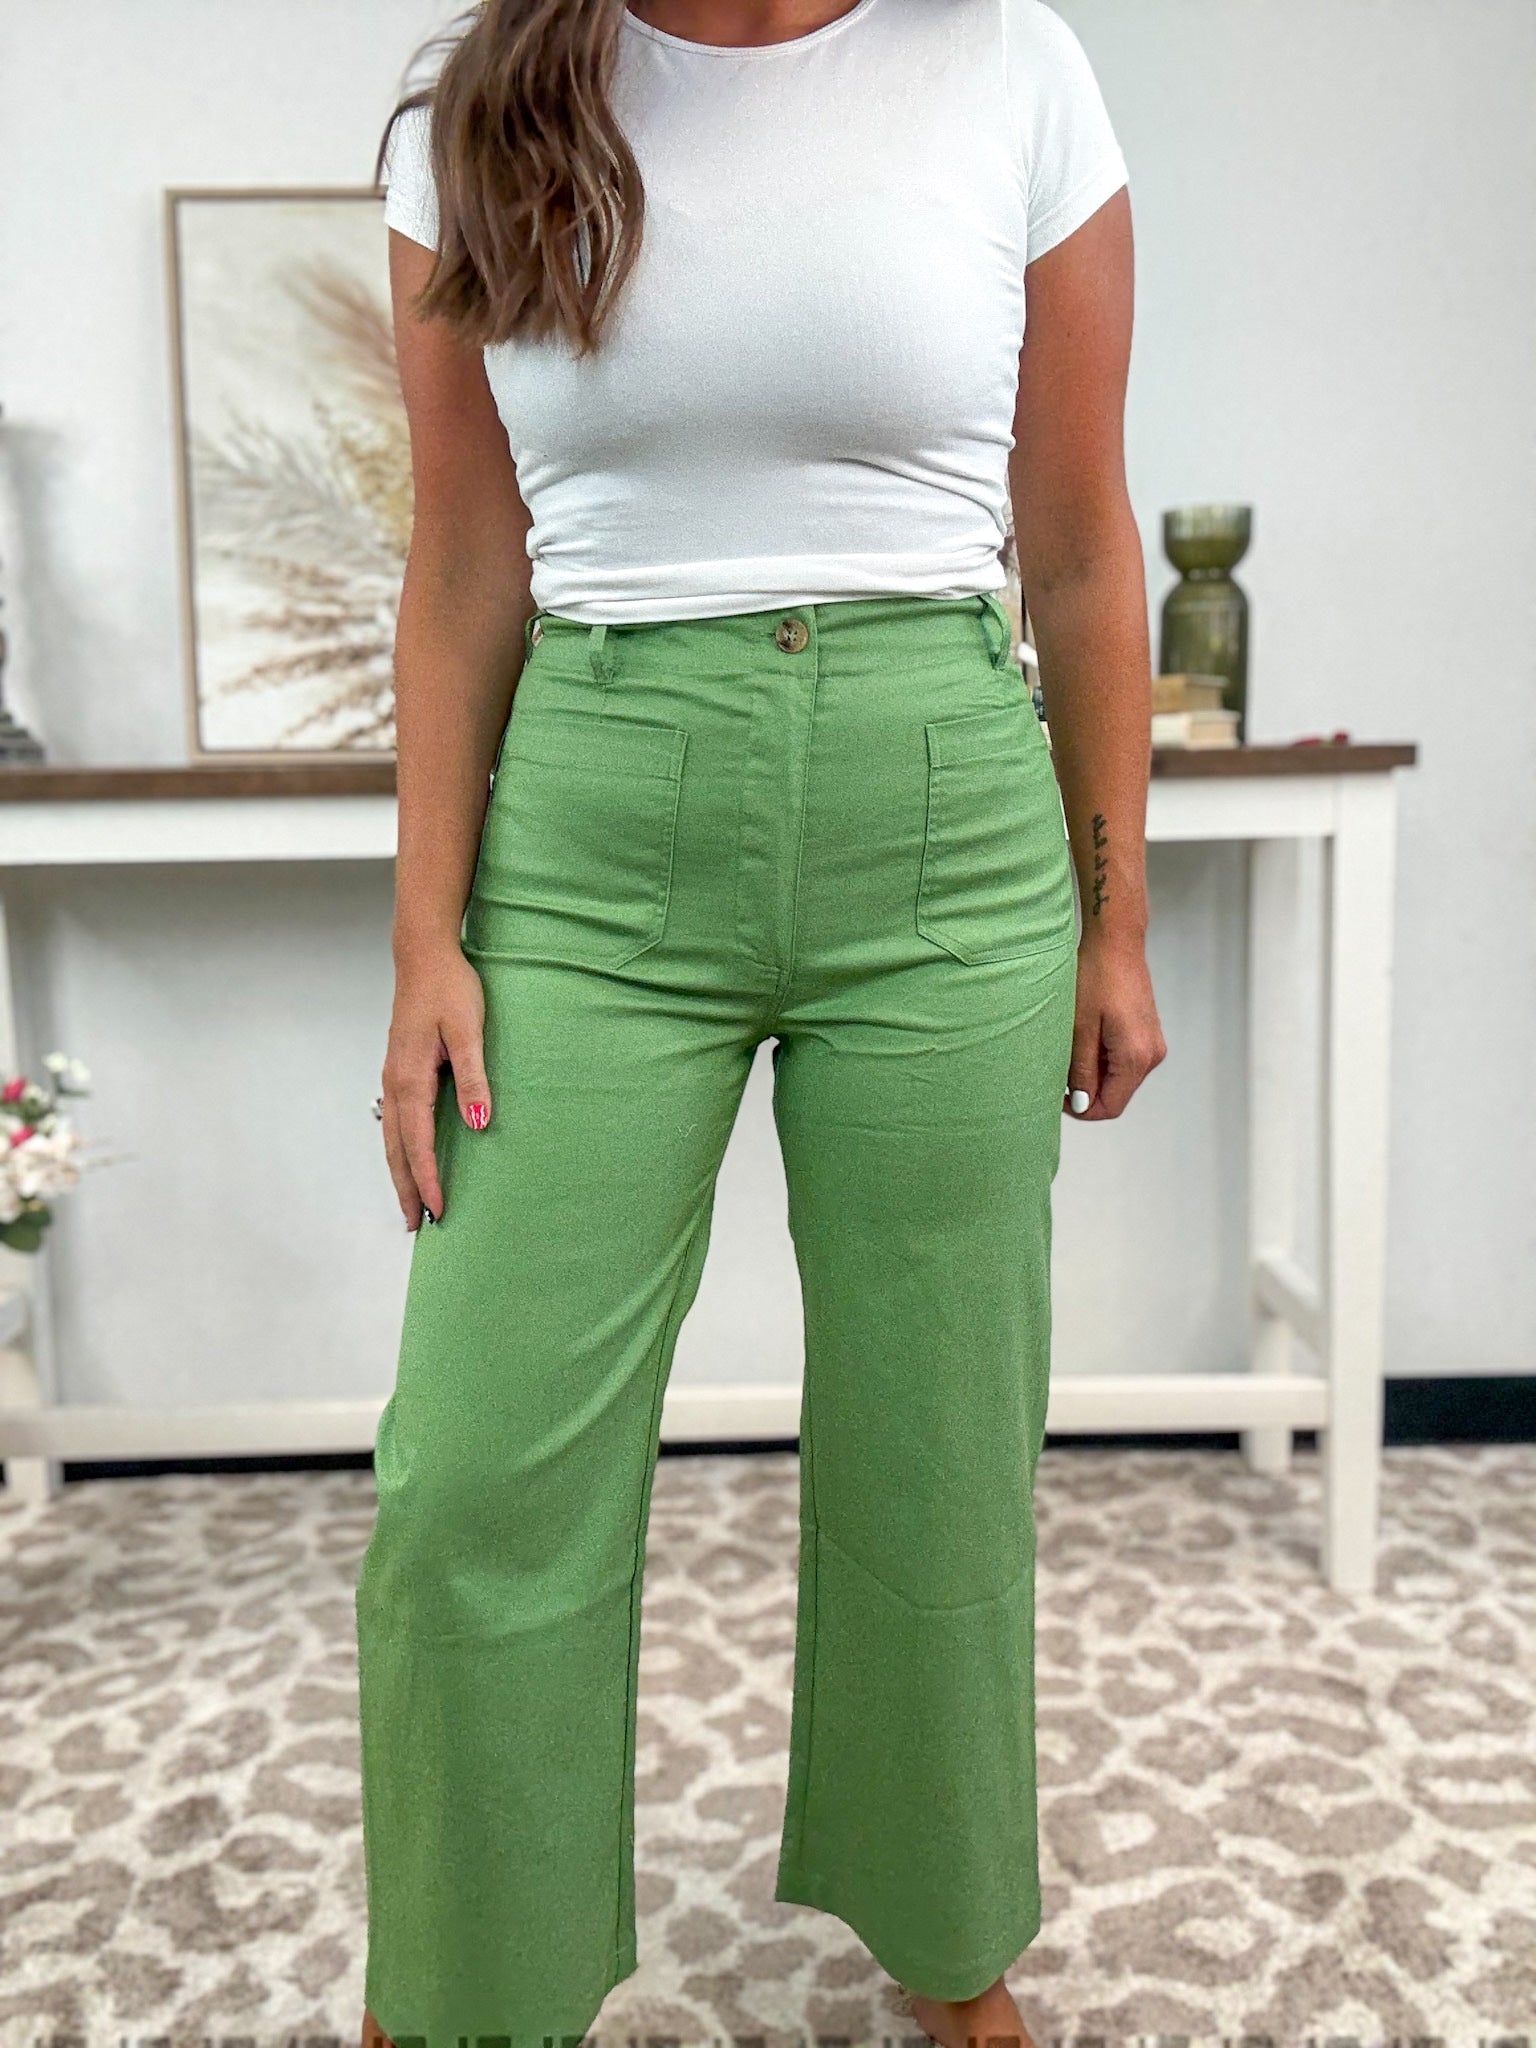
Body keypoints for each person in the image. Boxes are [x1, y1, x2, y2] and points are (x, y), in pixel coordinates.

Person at [356, 3, 1166, 2045]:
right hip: (592, 831)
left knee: (939, 1440)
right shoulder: (483, 108)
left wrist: (1117, 919)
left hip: (944, 818)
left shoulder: (1012, 69)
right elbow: (461, 563)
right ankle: (462, 1985)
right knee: (476, 1469)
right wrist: (425, 939)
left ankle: (949, 1937)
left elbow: (1081, 541)